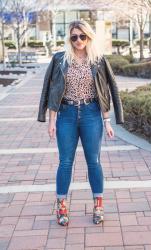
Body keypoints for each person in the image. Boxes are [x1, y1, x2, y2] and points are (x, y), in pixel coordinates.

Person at [37, 20, 124, 226]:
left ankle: (98, 205)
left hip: (91, 113)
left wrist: (107, 121)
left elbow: (106, 91)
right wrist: (51, 121)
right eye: (74, 37)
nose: (78, 40)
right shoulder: (60, 59)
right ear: (69, 38)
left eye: (82, 36)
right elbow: (51, 90)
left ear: (89, 37)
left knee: (93, 161)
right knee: (65, 162)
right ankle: (61, 206)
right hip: (66, 113)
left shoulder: (99, 60)